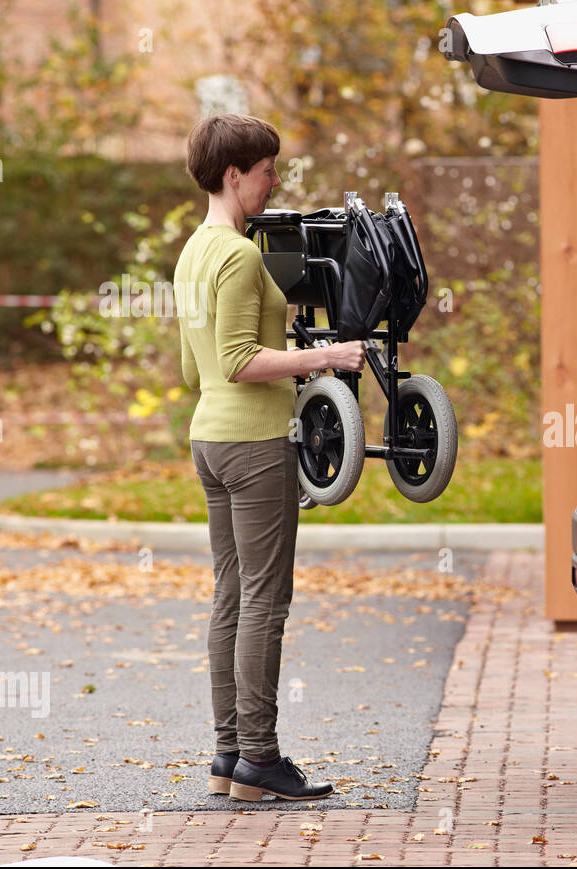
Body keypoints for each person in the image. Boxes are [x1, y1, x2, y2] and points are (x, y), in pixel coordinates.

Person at [174, 112, 365, 801]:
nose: (273, 183)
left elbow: (194, 369)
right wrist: (327, 357)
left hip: (210, 440)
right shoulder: (239, 255)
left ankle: (230, 757)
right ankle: (259, 756)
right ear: (234, 174)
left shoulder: (193, 253)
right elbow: (236, 360)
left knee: (231, 595)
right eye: (266, 172)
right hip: (253, 444)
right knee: (264, 599)